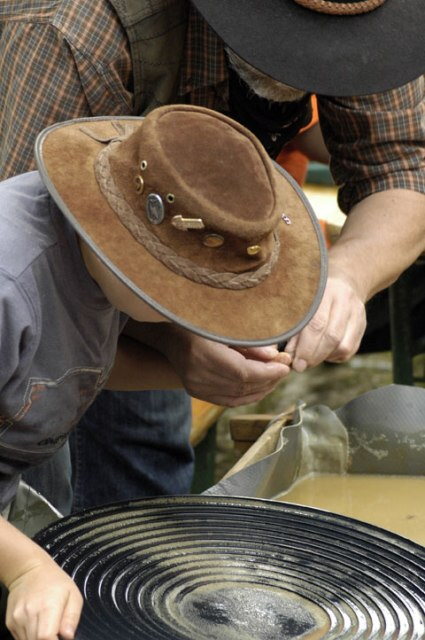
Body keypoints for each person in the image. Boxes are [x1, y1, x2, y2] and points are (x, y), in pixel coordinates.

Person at [1, 0, 424, 513]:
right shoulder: (73, 30)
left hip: (156, 255)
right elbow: (40, 290)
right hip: (35, 298)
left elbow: (400, 164)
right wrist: (177, 335)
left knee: (147, 469)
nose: (328, 64)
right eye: (304, 40)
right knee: (31, 482)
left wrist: (348, 277)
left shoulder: (358, 7)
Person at [0, 103, 325, 640]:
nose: (201, 317)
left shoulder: (90, 263)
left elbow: (53, 372)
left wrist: (184, 372)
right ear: (131, 253)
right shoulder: (10, 283)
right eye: (196, 294)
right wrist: (27, 568)